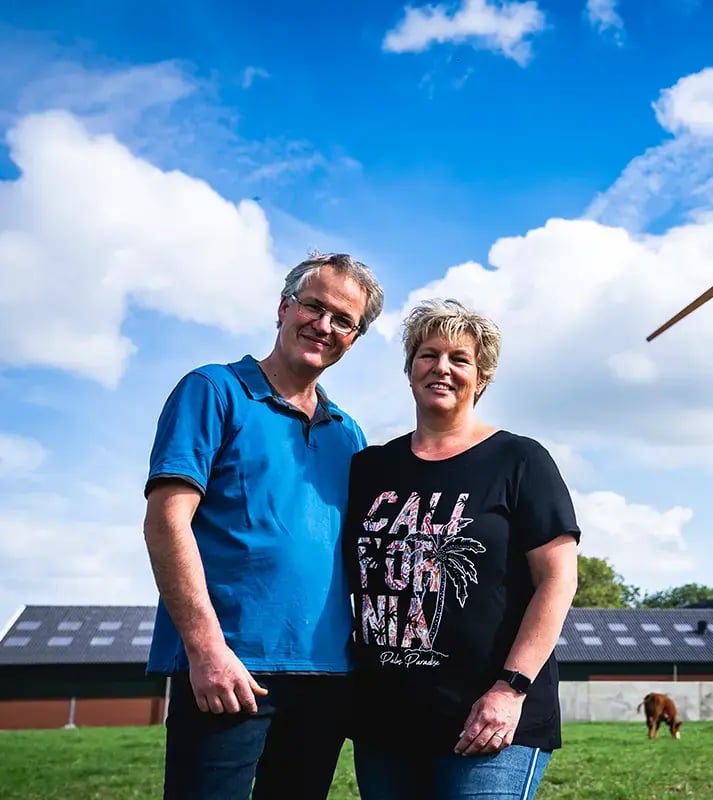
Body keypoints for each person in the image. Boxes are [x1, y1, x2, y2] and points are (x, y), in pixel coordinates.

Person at [142, 252, 385, 799]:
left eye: (344, 321)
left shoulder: (349, 433)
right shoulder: (212, 390)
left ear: (353, 339)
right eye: (314, 307)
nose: (324, 326)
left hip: (326, 675)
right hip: (230, 668)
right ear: (283, 307)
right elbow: (165, 522)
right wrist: (206, 649)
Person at [345, 298, 580, 799]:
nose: (441, 368)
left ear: (483, 378)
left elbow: (558, 580)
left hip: (490, 715)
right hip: (386, 718)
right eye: (428, 355)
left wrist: (510, 688)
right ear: (409, 369)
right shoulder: (368, 469)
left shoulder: (520, 460)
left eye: (460, 359)